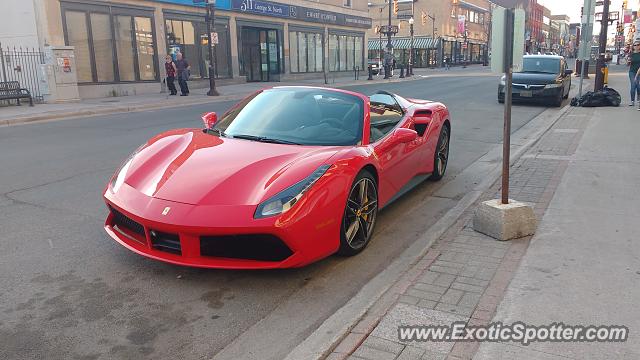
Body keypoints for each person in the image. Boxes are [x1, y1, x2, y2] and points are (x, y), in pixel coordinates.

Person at [628, 42, 640, 107]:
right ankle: (632, 101)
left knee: (638, 86)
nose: (636, 46)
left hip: (639, 72)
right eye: (635, 45)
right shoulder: (631, 54)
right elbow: (628, 64)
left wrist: (637, 75)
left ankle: (638, 96)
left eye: (638, 45)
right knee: (633, 85)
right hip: (632, 72)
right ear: (633, 46)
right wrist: (628, 61)